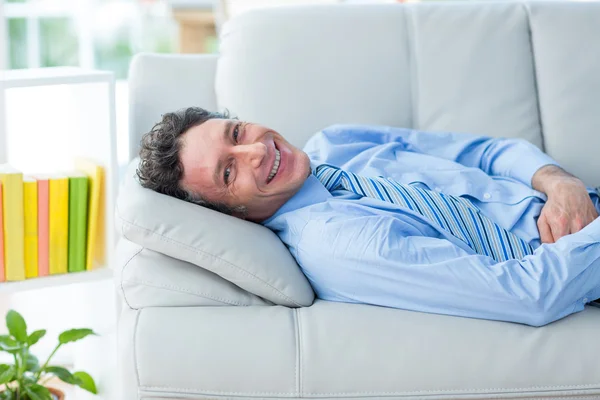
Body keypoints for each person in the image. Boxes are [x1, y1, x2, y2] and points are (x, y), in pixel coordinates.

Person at [136, 107, 600, 327]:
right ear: (230, 214)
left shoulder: (335, 142)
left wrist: (560, 184)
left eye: (236, 132)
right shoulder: (338, 246)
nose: (257, 150)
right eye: (229, 170)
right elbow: (531, 293)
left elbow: (486, 151)